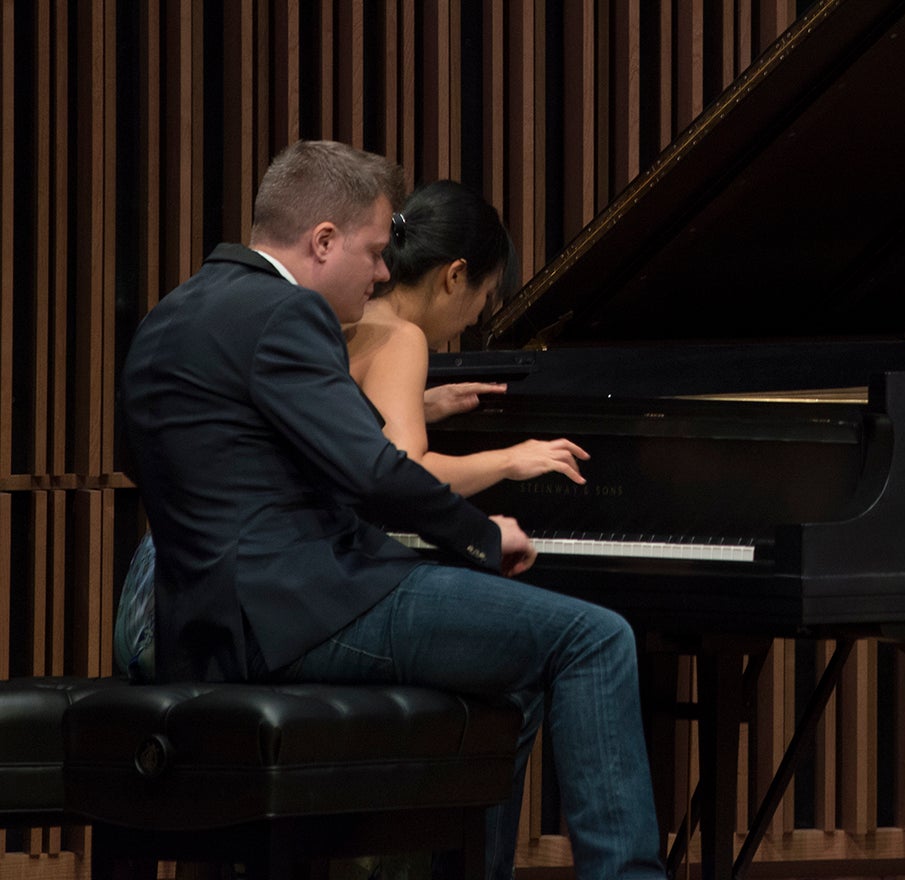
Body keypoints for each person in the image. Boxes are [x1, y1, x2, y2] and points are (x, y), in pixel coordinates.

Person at [120, 140, 666, 880]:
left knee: (508, 681)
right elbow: (377, 473)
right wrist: (481, 536)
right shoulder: (285, 315)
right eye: (374, 251)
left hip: (204, 614)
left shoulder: (177, 312)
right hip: (298, 611)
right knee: (594, 638)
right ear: (322, 242)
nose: (383, 272)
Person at [345, 178, 589, 497]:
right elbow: (405, 475)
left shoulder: (358, 314)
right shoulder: (403, 338)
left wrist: (418, 405)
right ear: (455, 275)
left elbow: (349, 427)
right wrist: (509, 459)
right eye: (485, 296)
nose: (476, 317)